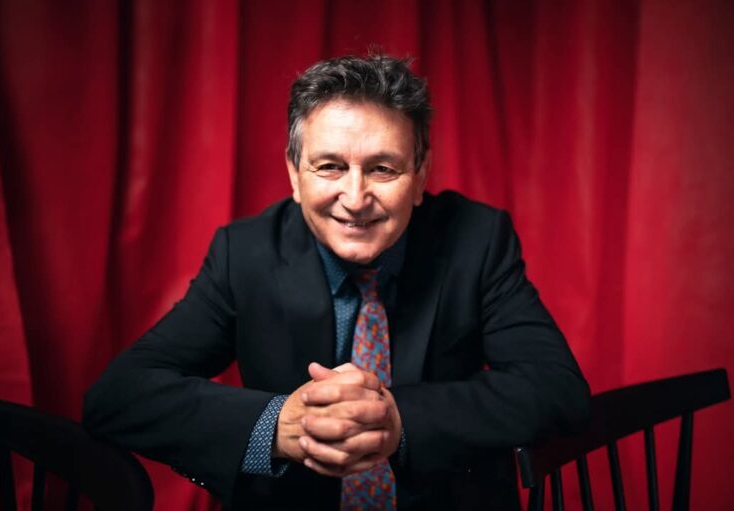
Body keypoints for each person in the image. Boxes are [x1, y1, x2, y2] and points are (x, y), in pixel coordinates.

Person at [83, 54, 590, 511]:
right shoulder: (245, 253)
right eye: (330, 167)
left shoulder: (477, 240)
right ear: (294, 175)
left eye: (383, 169)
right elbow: (119, 395)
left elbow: (558, 389)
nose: (355, 197)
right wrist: (279, 425)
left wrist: (398, 421)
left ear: (420, 176)